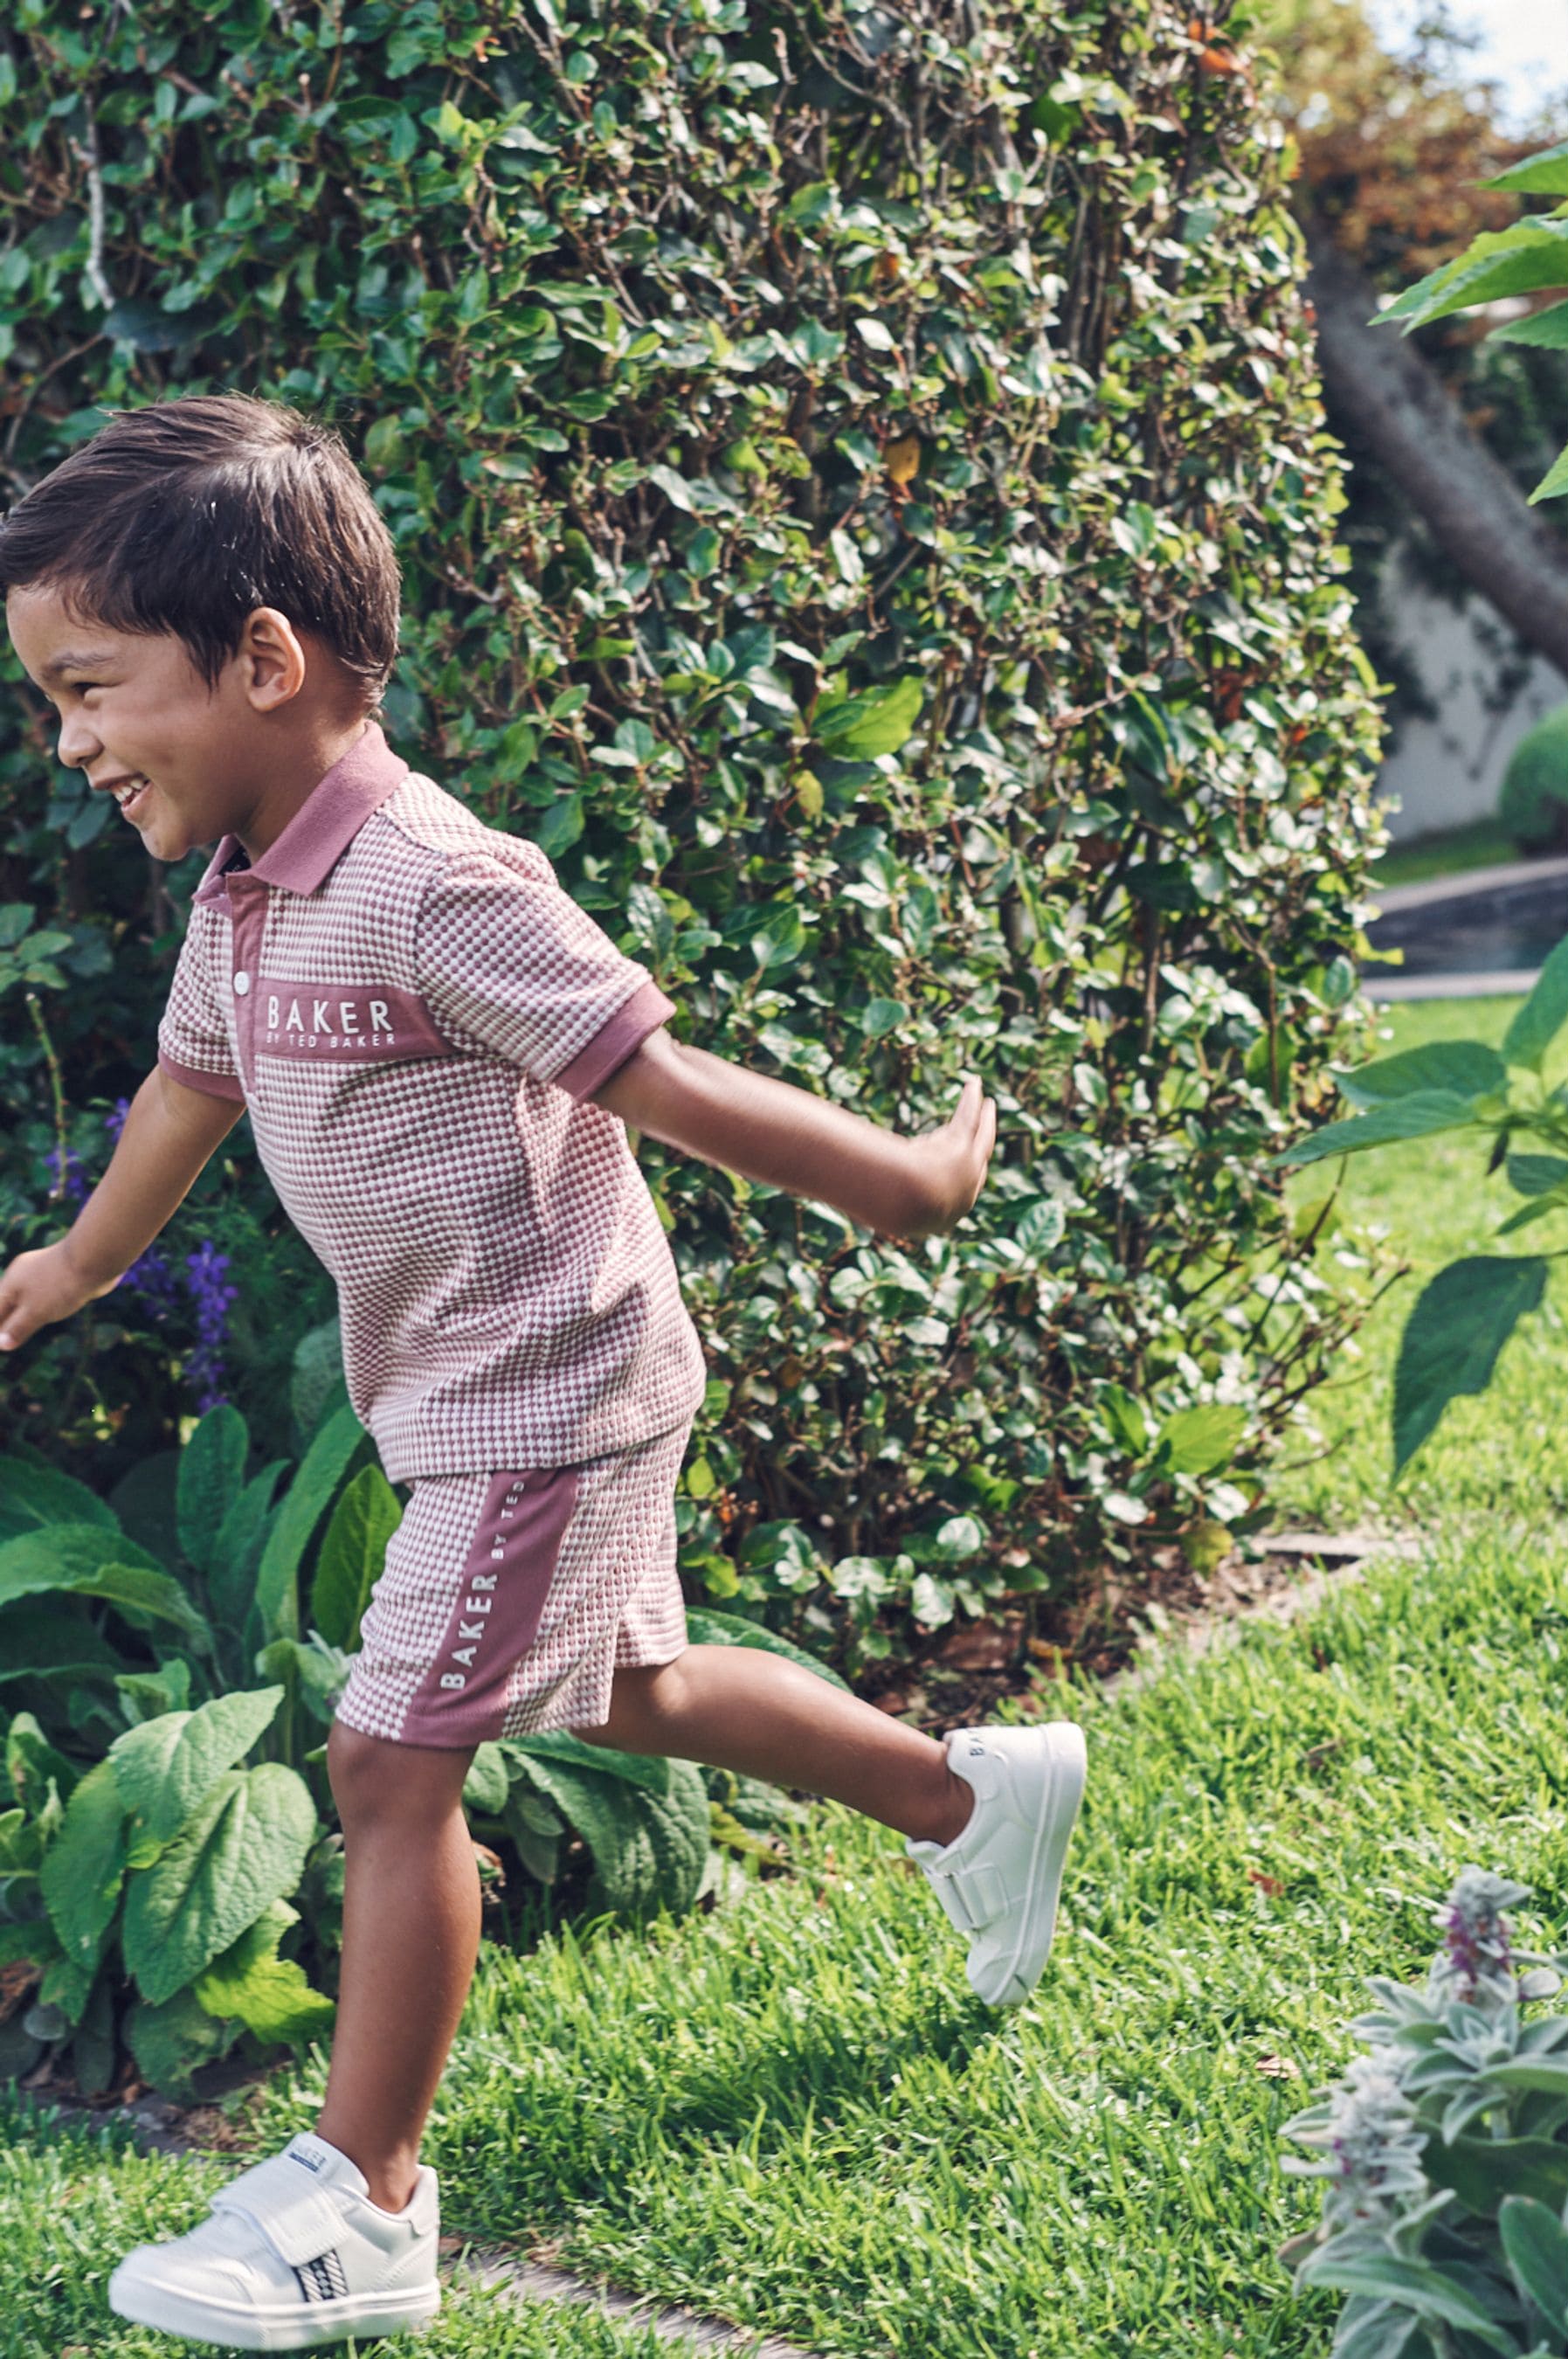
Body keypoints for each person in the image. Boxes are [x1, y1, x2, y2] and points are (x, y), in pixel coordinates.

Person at [0, 391, 1087, 2352]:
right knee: (634, 1686)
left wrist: (905, 1186)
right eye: (48, 704)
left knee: (389, 1761)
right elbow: (186, 1086)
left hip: (546, 1387)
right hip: (475, 1392)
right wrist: (77, 1263)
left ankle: (366, 2206)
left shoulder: (437, 885)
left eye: (92, 689)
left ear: (262, 661)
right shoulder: (244, 897)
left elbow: (656, 1083)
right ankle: (969, 1803)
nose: (70, 742)